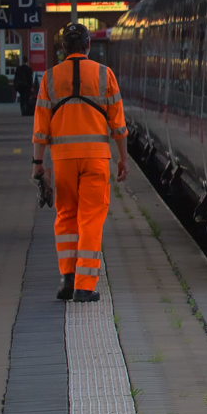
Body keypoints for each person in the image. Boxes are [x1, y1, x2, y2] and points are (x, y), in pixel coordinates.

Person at [32, 23, 129, 303]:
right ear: (88, 46)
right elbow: (118, 124)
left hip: (62, 159)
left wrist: (37, 162)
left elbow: (41, 127)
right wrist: (123, 157)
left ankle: (67, 280)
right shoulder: (104, 74)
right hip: (96, 158)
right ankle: (85, 286)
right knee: (90, 219)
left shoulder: (49, 78)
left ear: (64, 48)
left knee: (66, 217)